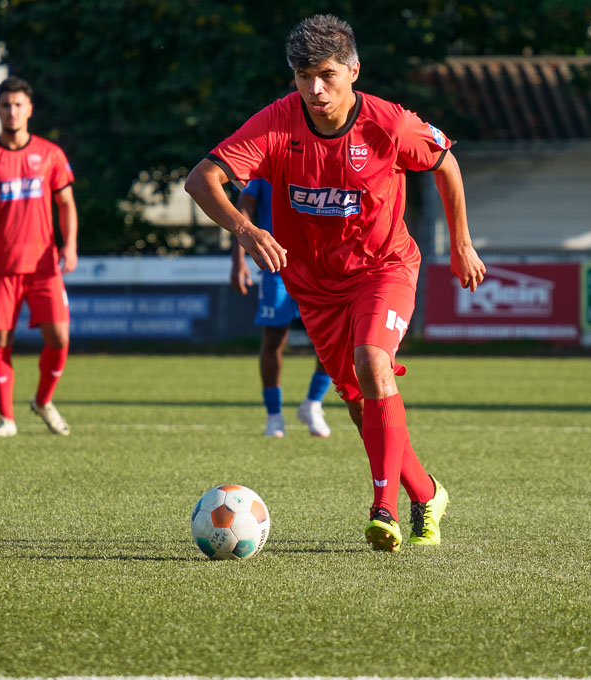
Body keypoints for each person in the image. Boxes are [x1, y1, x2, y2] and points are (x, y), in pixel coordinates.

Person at [185, 15, 486, 551]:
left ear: (353, 70)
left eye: (326, 75)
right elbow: (200, 178)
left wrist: (462, 242)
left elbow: (446, 164)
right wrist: (246, 228)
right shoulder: (278, 123)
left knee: (373, 363)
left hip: (383, 268)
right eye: (303, 76)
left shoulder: (390, 125)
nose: (315, 89)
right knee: (356, 399)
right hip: (314, 285)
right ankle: (427, 492)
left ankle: (384, 508)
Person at [0, 76, 79, 437]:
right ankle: (6, 419)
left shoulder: (50, 155)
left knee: (59, 338)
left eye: (18, 105)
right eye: (5, 105)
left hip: (44, 267)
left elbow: (66, 204)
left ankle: (43, 401)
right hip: (0, 268)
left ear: (29, 110)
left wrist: (70, 245)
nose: (11, 111)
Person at [231, 178, 333, 438]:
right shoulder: (266, 163)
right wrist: (238, 258)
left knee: (329, 339)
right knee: (274, 337)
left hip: (319, 266)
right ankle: (274, 416)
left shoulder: (322, 154)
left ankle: (313, 403)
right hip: (277, 264)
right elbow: (245, 205)